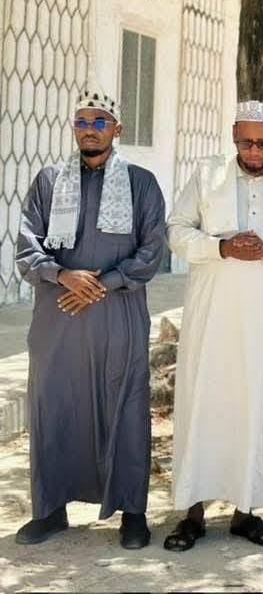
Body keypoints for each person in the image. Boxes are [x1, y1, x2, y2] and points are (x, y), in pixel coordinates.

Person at [15, 90, 166, 549]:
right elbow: (27, 247)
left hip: (118, 312)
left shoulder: (141, 183)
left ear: (117, 130)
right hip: (59, 313)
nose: (89, 130)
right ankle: (50, 510)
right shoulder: (48, 181)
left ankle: (133, 513)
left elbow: (152, 250)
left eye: (99, 122)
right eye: (81, 122)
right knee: (53, 403)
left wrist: (104, 283)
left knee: (126, 403)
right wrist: (63, 275)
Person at [164, 100, 263, 552]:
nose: (253, 151)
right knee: (202, 404)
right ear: (233, 136)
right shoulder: (207, 175)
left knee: (256, 406)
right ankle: (191, 512)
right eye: (246, 142)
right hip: (211, 317)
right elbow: (177, 230)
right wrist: (221, 247)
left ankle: (246, 512)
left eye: (262, 143)